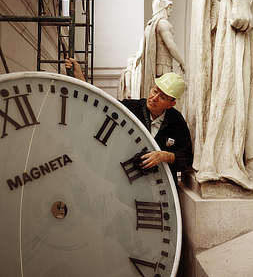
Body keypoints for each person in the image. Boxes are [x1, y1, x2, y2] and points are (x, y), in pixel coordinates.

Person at [187, 0, 253, 191]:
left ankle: (252, 156)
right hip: (232, 3)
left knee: (248, 81)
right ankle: (249, 158)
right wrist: (242, 2)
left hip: (234, 1)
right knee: (244, 82)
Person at [65, 57, 193, 188]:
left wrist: (163, 156)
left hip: (161, 189)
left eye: (163, 97)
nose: (154, 98)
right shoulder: (132, 108)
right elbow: (102, 107)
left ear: (171, 104)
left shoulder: (177, 122)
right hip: (126, 185)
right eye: (155, 91)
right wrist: (81, 79)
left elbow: (187, 158)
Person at [140, 0, 186, 98]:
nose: (171, 10)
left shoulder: (150, 24)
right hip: (163, 66)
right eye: (169, 7)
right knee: (164, 94)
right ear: (163, 8)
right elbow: (170, 45)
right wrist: (182, 62)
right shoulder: (163, 23)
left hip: (156, 66)